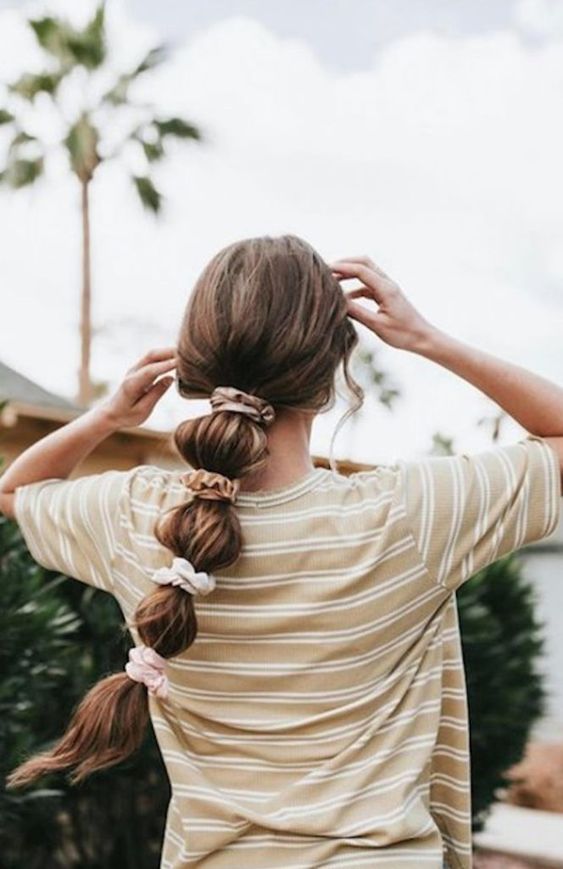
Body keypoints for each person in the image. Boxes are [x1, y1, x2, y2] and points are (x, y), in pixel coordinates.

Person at [0, 234, 561, 869]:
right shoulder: (409, 514)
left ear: (196, 368)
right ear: (333, 374)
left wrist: (106, 416)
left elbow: (17, 489)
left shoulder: (134, 518)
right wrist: (427, 339)